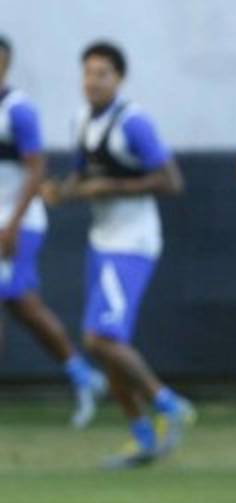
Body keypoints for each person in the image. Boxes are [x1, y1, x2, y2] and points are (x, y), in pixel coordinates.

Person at [40, 40, 193, 468]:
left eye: (102, 73)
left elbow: (172, 182)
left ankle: (169, 404)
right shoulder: (81, 120)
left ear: (119, 78)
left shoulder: (134, 122)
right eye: (87, 72)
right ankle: (142, 435)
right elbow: (81, 177)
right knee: (107, 344)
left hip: (133, 242)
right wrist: (60, 192)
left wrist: (113, 187)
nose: (92, 81)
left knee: (99, 337)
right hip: (102, 241)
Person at [0, 34, 106, 428]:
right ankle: (83, 376)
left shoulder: (18, 110)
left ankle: (83, 376)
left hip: (18, 223)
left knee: (18, 303)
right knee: (24, 306)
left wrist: (11, 225)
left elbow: (36, 170)